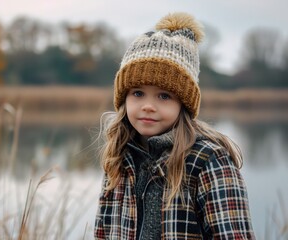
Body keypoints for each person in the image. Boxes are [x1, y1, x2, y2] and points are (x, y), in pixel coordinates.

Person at [94, 12, 255, 239]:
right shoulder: (118, 159)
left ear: (184, 104)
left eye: (164, 96)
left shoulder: (208, 161)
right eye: (138, 93)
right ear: (124, 99)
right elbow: (102, 233)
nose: (148, 106)